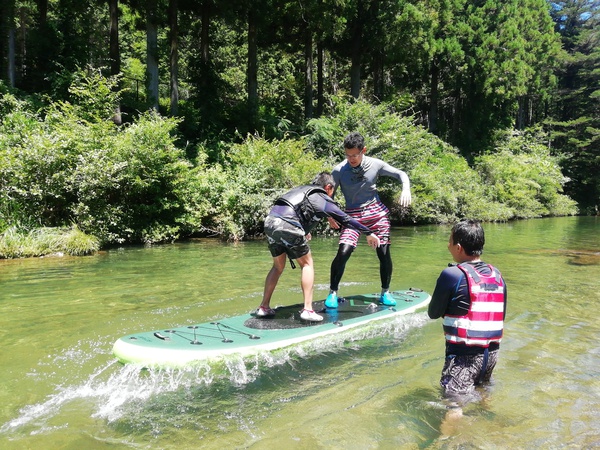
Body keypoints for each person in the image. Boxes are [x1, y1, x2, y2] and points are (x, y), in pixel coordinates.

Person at [258, 172, 381, 322]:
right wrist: (368, 232)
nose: (331, 195)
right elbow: (345, 218)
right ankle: (308, 310)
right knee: (307, 264)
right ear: (328, 187)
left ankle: (263, 307)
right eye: (332, 191)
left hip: (270, 222)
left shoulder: (302, 190)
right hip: (287, 223)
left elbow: (295, 211)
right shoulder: (320, 196)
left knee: (277, 267)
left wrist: (302, 230)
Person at [325, 131, 412, 308]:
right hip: (352, 216)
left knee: (384, 252)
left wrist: (406, 189)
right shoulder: (339, 170)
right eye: (348, 155)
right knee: (343, 252)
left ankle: (385, 291)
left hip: (377, 214)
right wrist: (329, 215)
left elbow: (401, 174)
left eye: (355, 155)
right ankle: (332, 292)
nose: (351, 159)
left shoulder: (376, 164)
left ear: (363, 150)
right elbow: (328, 195)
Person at [428, 219, 507, 398]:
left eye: (450, 241)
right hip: (491, 356)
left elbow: (433, 313)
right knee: (482, 395)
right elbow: (500, 316)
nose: (448, 245)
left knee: (453, 405)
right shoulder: (497, 275)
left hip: (463, 358)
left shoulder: (451, 274)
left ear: (458, 247)